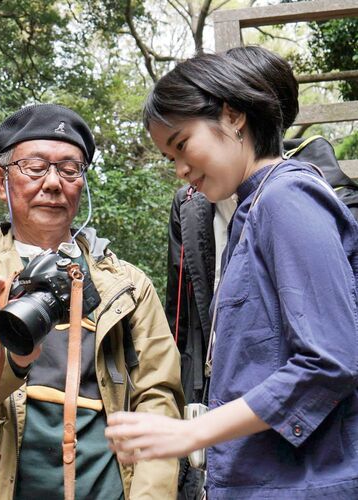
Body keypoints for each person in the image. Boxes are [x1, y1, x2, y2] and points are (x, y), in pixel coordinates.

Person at [106, 51, 358, 499]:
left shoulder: (288, 197)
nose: (181, 170)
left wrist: (192, 433)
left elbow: (330, 358)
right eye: (170, 158)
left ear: (233, 115)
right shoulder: (251, 210)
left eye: (182, 144)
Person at [0, 104, 183, 499]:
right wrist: (11, 358)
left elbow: (158, 401)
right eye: (36, 167)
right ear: (1, 180)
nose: (54, 183)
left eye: (70, 169)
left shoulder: (126, 287)